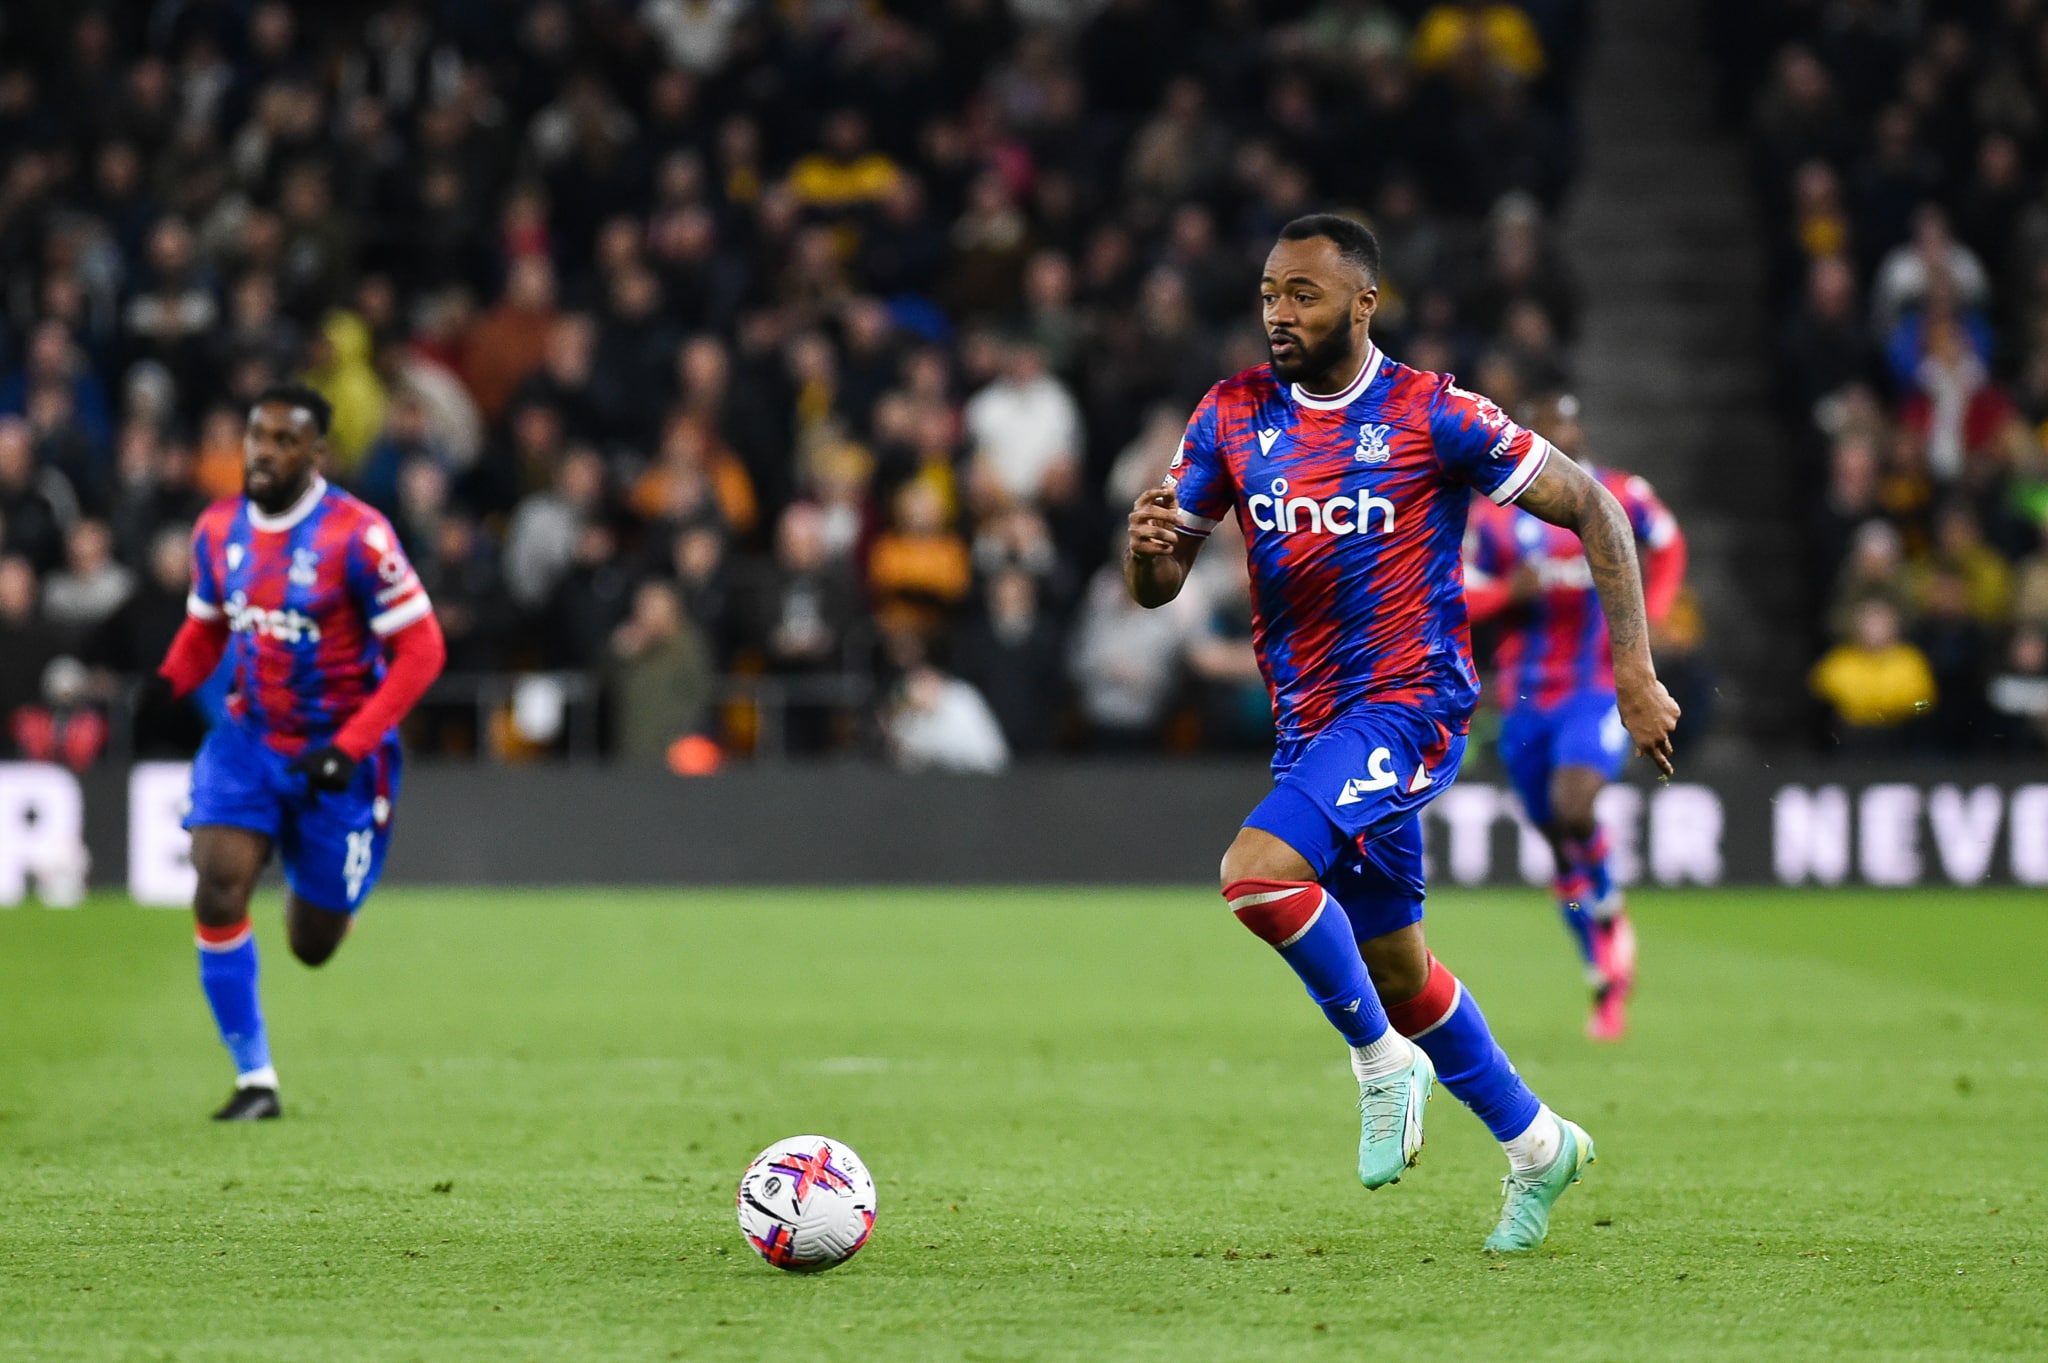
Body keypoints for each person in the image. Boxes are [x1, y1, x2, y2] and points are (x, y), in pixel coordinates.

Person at [1125, 216, 1679, 1253]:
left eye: (1303, 296)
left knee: (1255, 875)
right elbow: (1156, 584)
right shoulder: (1231, 414)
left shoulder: (1434, 413)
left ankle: (1383, 1067)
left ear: (1361, 304)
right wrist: (1146, 552)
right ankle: (1538, 1144)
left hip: (1410, 703)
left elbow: (1595, 510)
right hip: (1308, 723)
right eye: (1267, 294)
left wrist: (1633, 672)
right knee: (1396, 968)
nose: (1278, 314)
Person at [143, 385, 447, 1121]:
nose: (266, 451)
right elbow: (208, 628)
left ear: (317, 454)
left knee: (313, 944)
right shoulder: (217, 530)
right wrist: (164, 685)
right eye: (258, 435)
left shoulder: (357, 536)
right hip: (250, 739)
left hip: (341, 756)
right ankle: (256, 1078)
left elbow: (422, 648)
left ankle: (333, 897)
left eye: (286, 440)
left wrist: (349, 746)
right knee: (217, 879)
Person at [1464, 393, 1686, 1041]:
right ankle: (1602, 973)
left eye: (1568, 422)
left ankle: (1610, 906)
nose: (1559, 434)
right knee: (1557, 841)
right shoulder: (1498, 519)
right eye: (1546, 425)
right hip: (1526, 696)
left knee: (1575, 803)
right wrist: (1510, 591)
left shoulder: (1618, 493)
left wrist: (1659, 612)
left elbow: (1668, 545)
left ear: (1580, 429)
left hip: (1597, 685)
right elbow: (1460, 587)